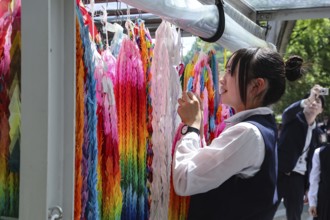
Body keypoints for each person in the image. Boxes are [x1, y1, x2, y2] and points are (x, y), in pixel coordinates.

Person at [173, 47, 303, 220]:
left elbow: (184, 180)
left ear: (257, 85)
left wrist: (192, 127)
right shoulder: (260, 128)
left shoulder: (248, 133)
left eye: (230, 72)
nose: (222, 79)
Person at [275, 85, 325, 220]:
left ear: (321, 110)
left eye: (318, 102)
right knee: (266, 211)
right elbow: (287, 112)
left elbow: (316, 163)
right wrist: (308, 99)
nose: (314, 103)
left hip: (298, 179)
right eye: (311, 101)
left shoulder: (319, 134)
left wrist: (309, 187)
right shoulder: (292, 120)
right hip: (280, 174)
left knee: (294, 216)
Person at [308, 143, 330, 220]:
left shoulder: (319, 152)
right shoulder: (319, 152)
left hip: (325, 201)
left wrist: (312, 203)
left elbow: (314, 179)